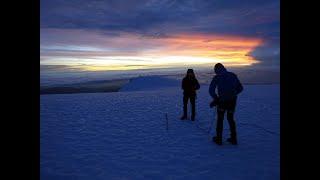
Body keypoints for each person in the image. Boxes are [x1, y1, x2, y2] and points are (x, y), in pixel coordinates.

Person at [209, 63, 243, 145]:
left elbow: (211, 90)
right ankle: (233, 138)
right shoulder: (232, 75)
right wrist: (233, 94)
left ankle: (219, 139)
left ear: (216, 70)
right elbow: (240, 88)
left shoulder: (217, 77)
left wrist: (216, 98)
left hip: (222, 101)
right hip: (232, 101)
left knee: (220, 119)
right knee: (230, 119)